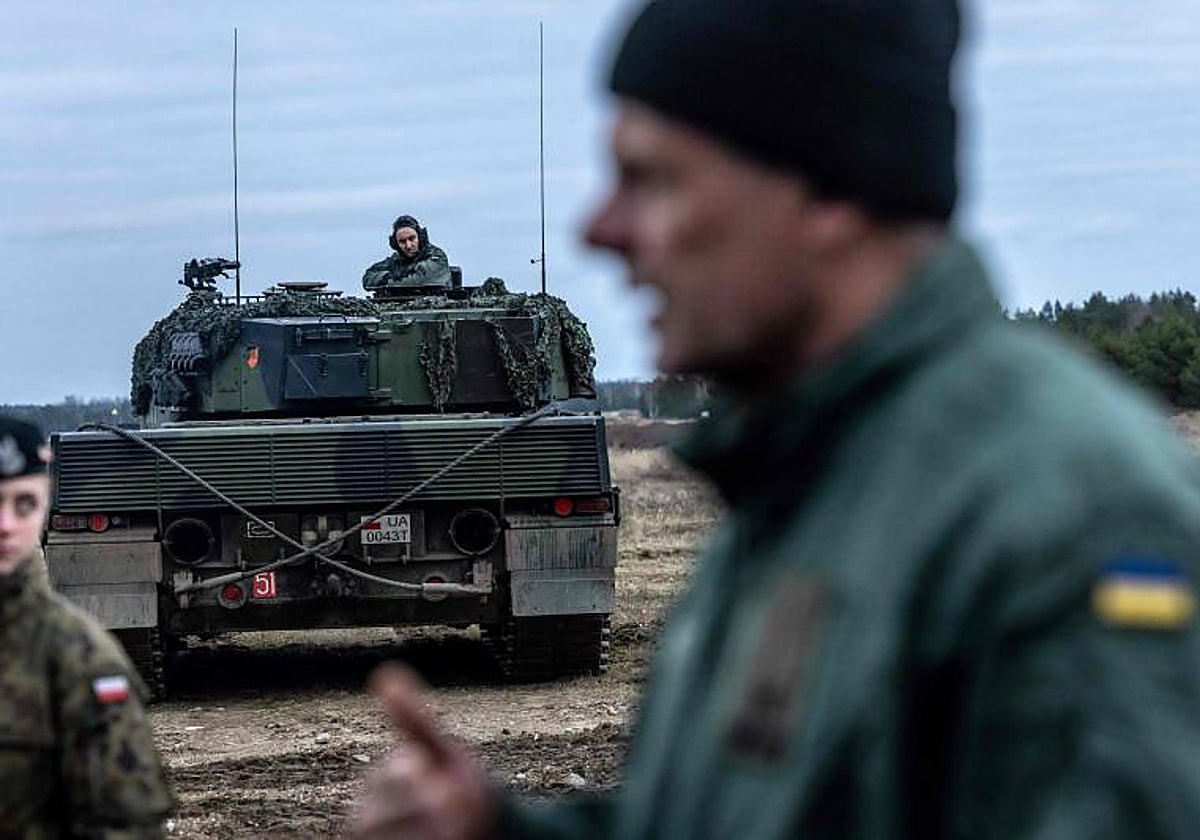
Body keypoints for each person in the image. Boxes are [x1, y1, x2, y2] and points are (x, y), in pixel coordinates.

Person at [354, 1, 1200, 837]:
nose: (601, 230)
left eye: (654, 180)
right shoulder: (814, 472)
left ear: (827, 194)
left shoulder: (1070, 521)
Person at [0, 416, 175, 836]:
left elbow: (126, 823)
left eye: (24, 504)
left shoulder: (78, 655)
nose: (5, 525)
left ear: (45, 509)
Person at [362, 214, 453, 291]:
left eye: (412, 238)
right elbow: (368, 278)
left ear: (420, 237)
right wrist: (388, 276)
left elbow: (418, 281)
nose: (408, 246)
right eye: (402, 241)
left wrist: (392, 281)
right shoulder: (395, 260)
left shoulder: (436, 256)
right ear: (396, 244)